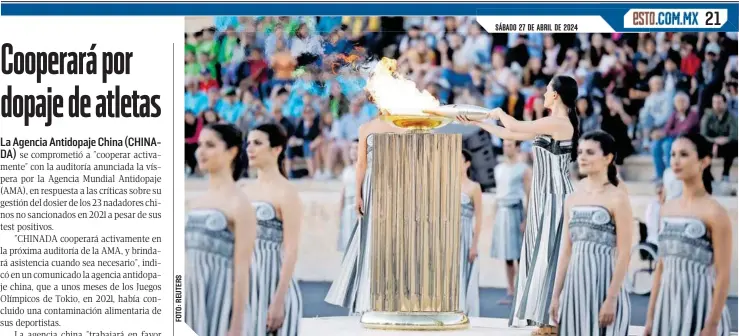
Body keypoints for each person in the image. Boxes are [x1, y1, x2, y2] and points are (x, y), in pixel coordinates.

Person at [459, 75, 579, 334]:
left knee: (551, 255)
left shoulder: (558, 122)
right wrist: (479, 122)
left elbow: (513, 123)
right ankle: (544, 319)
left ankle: (553, 319)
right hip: (542, 195)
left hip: (555, 196)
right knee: (539, 255)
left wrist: (499, 111)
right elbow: (509, 132)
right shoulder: (552, 122)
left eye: (547, 89)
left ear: (556, 95)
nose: (544, 93)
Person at [644, 133, 733, 336]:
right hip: (667, 310)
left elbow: (723, 275)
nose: (675, 160)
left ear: (704, 161)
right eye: (673, 154)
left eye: (683, 154)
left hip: (702, 308)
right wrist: (650, 318)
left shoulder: (715, 212)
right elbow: (660, 266)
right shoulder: (666, 208)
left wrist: (712, 324)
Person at [550, 131, 633, 336]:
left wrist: (612, 299)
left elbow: (624, 253)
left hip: (605, 288)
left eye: (589, 152)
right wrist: (555, 295)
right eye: (579, 152)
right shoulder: (572, 198)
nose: (582, 157)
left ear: (608, 158)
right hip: (574, 290)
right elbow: (567, 252)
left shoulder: (618, 198)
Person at [325, 109, 406, 314]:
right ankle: (366, 297)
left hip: (394, 185)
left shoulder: (401, 125)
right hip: (371, 185)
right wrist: (359, 195)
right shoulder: (366, 128)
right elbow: (361, 163)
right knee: (369, 239)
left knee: (392, 240)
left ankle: (393, 296)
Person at [185, 124, 256, 336]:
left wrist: (236, 326)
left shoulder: (240, 204)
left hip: (220, 303)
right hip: (190, 302)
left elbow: (243, 270)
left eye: (210, 145)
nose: (201, 152)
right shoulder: (196, 202)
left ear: (232, 152)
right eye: (199, 145)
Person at [242, 123, 303, 335]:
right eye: (248, 143)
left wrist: (278, 301)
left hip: (276, 289)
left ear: (276, 149)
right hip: (247, 291)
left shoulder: (287, 192)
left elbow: (291, 250)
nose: (250, 148)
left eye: (257, 143)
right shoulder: (245, 191)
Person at [490, 140, 531, 305]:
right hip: (502, 211)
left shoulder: (524, 169)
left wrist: (527, 218)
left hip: (517, 210)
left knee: (520, 255)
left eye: (510, 145)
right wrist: (494, 215)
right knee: (507, 254)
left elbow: (529, 195)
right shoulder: (498, 169)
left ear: (517, 147)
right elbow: (498, 193)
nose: (507, 147)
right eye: (505, 145)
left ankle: (523, 292)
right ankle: (510, 291)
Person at [460, 149, 482, 317]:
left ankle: (464, 310)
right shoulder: (445, 183)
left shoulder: (474, 187)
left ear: (467, 163)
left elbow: (479, 218)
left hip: (465, 233)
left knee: (464, 271)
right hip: (448, 234)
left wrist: (474, 245)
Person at [338, 139, 359, 252]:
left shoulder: (365, 170)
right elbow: (343, 192)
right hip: (347, 207)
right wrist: (340, 211)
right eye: (352, 148)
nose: (353, 151)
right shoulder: (347, 171)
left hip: (359, 208)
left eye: (357, 148)